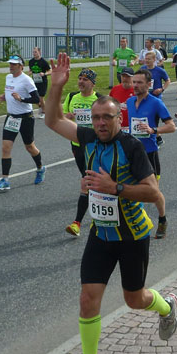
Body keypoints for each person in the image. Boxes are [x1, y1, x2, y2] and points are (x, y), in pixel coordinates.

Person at [44, 53, 177, 354]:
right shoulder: (88, 138)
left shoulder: (131, 148)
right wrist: (56, 87)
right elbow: (52, 120)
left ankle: (166, 307)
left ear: (119, 118)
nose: (101, 122)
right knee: (88, 299)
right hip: (101, 233)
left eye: (108, 117)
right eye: (96, 117)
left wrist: (114, 188)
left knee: (135, 299)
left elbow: (153, 192)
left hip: (133, 236)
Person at [127, 69, 176, 238]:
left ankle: (162, 219)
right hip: (132, 153)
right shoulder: (129, 102)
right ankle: (135, 223)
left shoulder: (156, 103)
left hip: (149, 154)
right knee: (131, 189)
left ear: (149, 84)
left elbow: (171, 126)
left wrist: (153, 130)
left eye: (139, 82)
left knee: (153, 192)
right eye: (134, 82)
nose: (135, 85)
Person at [0, 55, 46, 191]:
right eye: (10, 64)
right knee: (6, 148)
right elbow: (11, 91)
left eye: (14, 64)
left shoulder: (27, 80)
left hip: (25, 118)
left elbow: (36, 99)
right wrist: (5, 97)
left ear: (21, 66)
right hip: (11, 117)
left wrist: (21, 99)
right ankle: (5, 180)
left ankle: (40, 168)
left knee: (30, 147)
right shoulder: (8, 77)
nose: (11, 66)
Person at [63, 68, 104, 236]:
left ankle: (77, 223)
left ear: (92, 83)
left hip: (95, 145)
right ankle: (98, 210)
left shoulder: (99, 99)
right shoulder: (72, 96)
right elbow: (61, 117)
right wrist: (67, 116)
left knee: (88, 182)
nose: (81, 81)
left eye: (85, 79)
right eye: (80, 78)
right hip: (77, 144)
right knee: (88, 180)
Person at [109, 67, 135, 131]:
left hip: (133, 126)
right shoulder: (115, 89)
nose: (125, 79)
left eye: (128, 76)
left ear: (133, 77)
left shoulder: (137, 90)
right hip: (117, 127)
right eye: (123, 76)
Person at [28, 47, 51, 117]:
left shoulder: (43, 62)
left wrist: (44, 74)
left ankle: (44, 112)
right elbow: (30, 70)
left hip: (43, 82)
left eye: (35, 52)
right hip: (34, 81)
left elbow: (50, 71)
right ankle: (42, 106)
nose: (34, 53)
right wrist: (30, 73)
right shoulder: (31, 61)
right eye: (33, 52)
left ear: (39, 52)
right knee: (35, 98)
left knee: (41, 98)